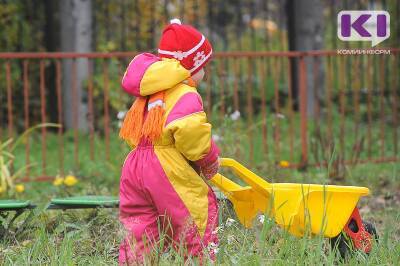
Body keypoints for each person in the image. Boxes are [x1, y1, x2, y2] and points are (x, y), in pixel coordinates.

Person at [118, 18, 220, 264]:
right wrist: (208, 159)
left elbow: (134, 133)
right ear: (191, 66)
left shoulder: (149, 93)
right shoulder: (185, 93)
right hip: (166, 167)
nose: (205, 72)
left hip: (134, 167)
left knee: (140, 229)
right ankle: (201, 261)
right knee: (193, 220)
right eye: (204, 65)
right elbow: (190, 133)